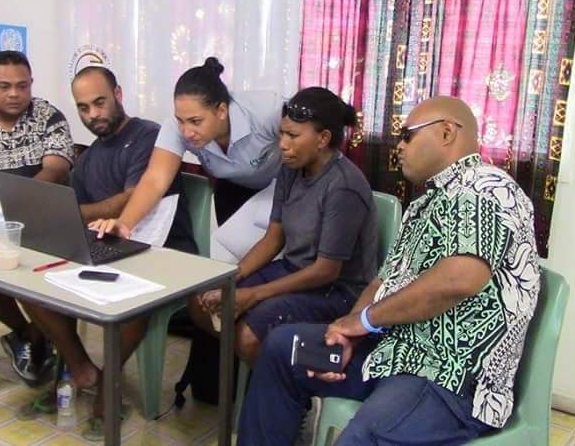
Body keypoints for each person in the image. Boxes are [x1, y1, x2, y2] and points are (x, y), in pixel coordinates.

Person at [237, 96, 541, 446]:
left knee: (364, 436)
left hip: (446, 377)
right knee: (280, 349)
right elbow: (385, 280)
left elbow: (460, 278)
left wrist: (364, 320)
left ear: (446, 132)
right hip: (392, 352)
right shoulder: (424, 204)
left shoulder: (486, 188)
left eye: (408, 136)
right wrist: (349, 333)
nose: (399, 146)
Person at [22, 65, 198, 440]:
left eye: (99, 102)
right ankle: (82, 368)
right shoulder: (88, 159)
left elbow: (131, 199)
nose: (93, 115)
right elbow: (84, 211)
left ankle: (108, 383)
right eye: (83, 108)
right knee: (29, 282)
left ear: (118, 94)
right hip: (108, 247)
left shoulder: (150, 136)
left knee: (131, 293)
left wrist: (68, 213)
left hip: (160, 249)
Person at [190, 87, 377, 365]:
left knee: (248, 334)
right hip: (294, 270)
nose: (283, 144)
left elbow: (326, 271)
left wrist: (252, 295)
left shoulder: (343, 186)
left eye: (293, 136)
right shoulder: (290, 168)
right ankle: (264, 372)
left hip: (337, 291)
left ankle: (287, 388)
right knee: (200, 303)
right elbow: (273, 239)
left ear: (323, 139)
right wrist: (232, 279)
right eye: (282, 133)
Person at [0, 50, 74, 385]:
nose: (13, 93)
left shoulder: (48, 116)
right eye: (4, 86)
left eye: (22, 86)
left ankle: (42, 337)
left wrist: (13, 210)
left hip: (42, 223)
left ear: (31, 84)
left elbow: (55, 168)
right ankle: (27, 333)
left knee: (28, 269)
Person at [90, 56, 283, 237]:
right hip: (233, 188)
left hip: (282, 186)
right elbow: (155, 180)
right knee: (241, 260)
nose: (187, 132)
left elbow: (308, 135)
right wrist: (124, 224)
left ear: (222, 110)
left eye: (196, 121)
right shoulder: (176, 126)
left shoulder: (266, 111)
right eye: (181, 120)